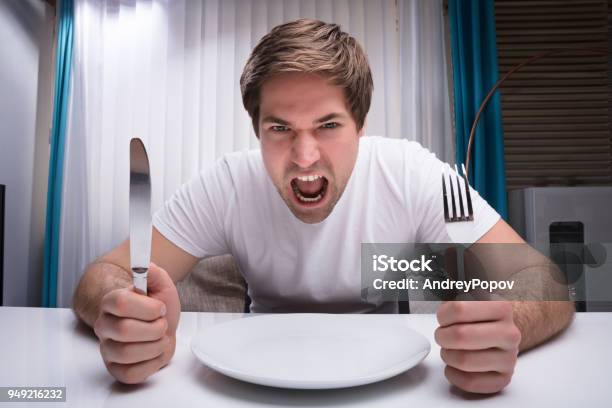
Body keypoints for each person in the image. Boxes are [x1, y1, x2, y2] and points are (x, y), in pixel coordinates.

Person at [73, 19, 574, 394]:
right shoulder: (227, 182)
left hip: (386, 381)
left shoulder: (415, 173)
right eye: (280, 128)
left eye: (329, 126)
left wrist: (511, 319)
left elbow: (546, 278)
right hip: (253, 381)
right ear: (257, 130)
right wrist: (120, 312)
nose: (305, 157)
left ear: (360, 125)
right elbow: (104, 274)